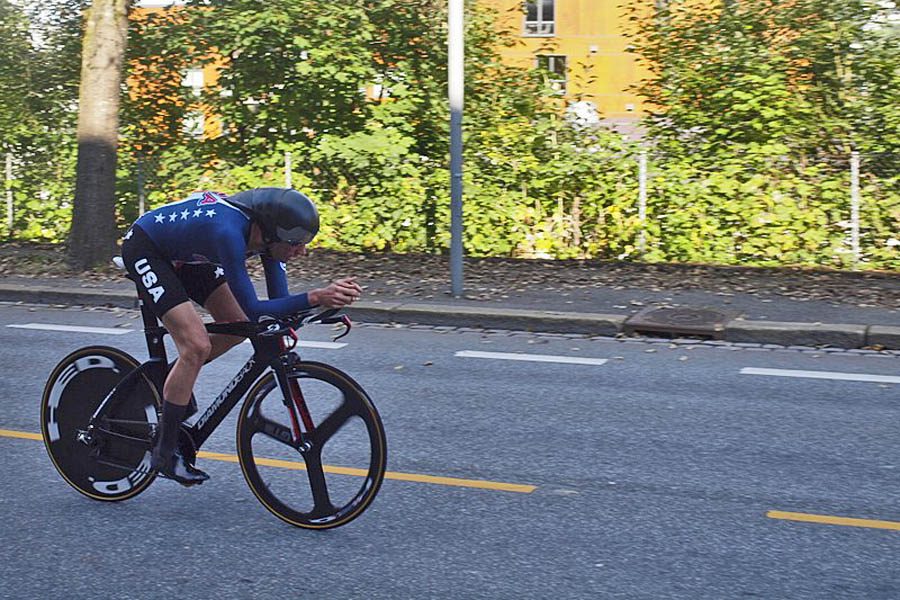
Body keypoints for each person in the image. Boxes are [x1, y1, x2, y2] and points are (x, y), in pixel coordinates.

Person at [121, 187, 362, 486]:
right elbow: (255, 308)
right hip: (147, 247)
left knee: (237, 326)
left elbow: (276, 306)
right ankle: (165, 453)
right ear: (271, 234)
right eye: (296, 244)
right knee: (196, 345)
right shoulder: (229, 233)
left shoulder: (271, 240)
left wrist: (322, 306)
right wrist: (315, 297)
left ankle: (169, 386)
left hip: (185, 254)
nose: (302, 251)